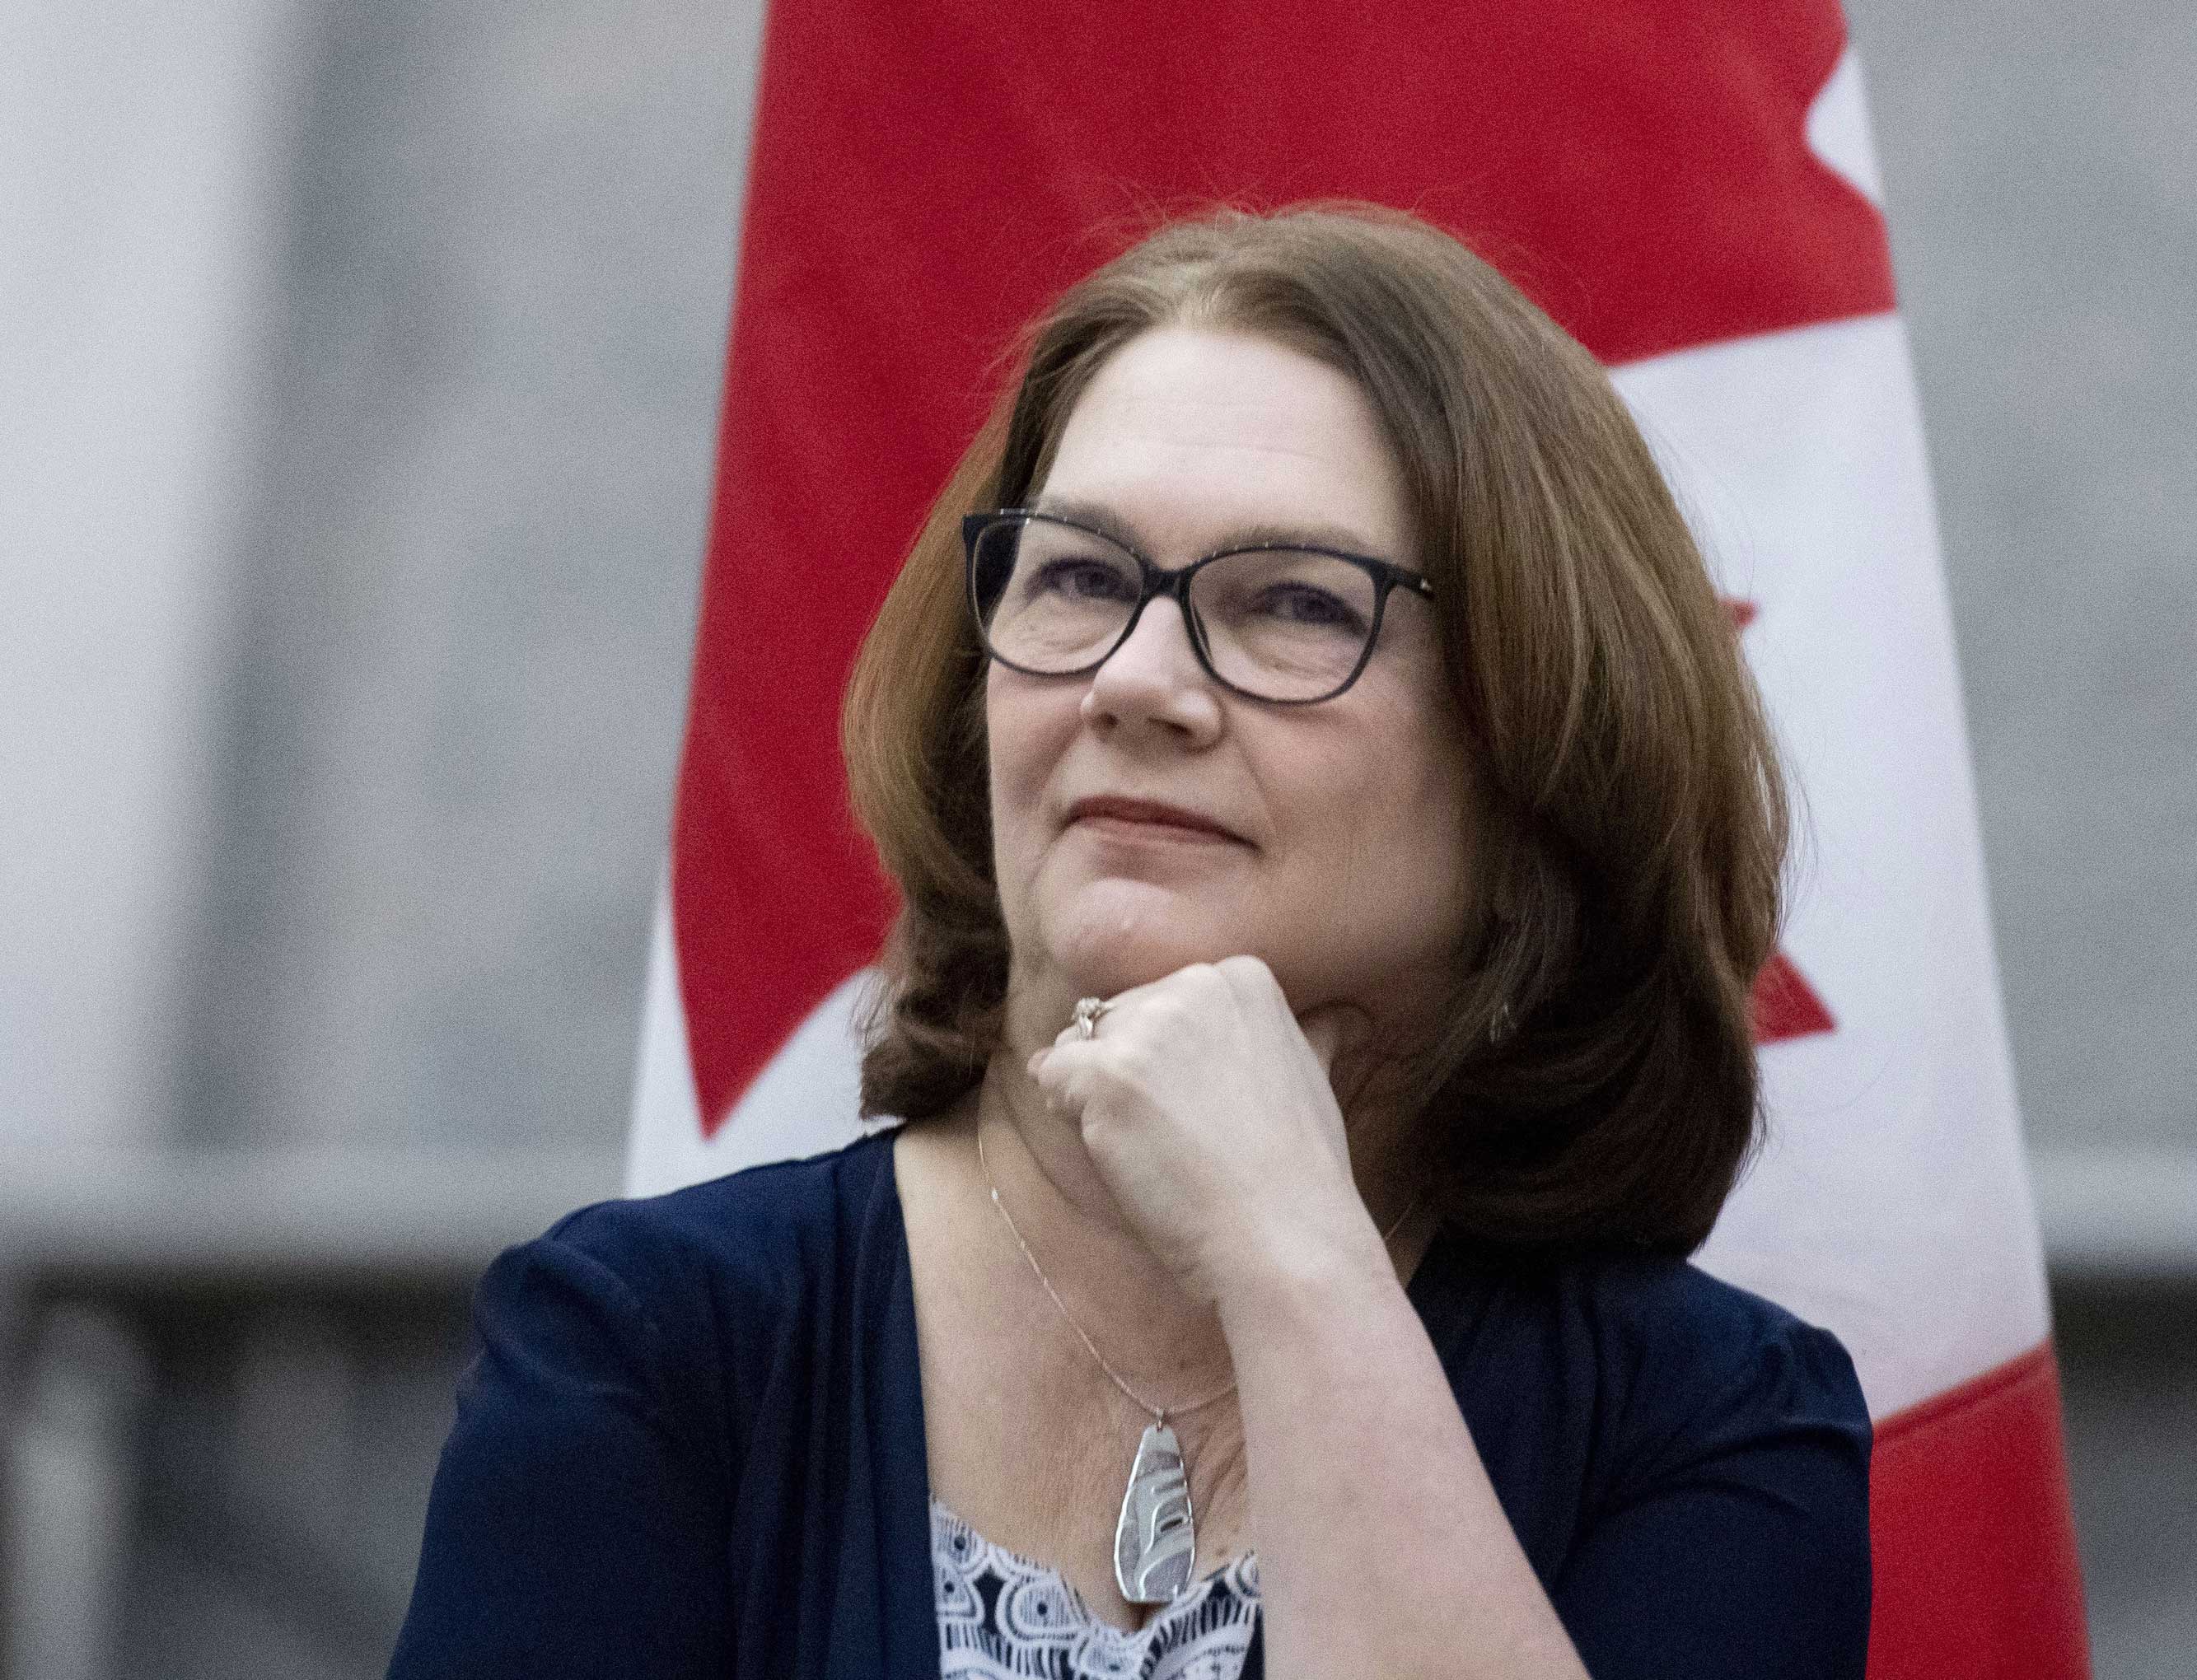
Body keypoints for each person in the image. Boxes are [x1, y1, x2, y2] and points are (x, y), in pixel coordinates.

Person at [388, 203, 1872, 1680]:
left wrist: (1293, 1265)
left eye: (1295, 603)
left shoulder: (1710, 1421)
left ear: (1536, 746)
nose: (1134, 679)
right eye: (1080, 579)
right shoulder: (648, 1341)